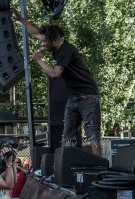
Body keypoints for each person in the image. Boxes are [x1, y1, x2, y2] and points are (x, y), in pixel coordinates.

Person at [12, 9, 102, 156]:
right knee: (67, 134)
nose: (43, 43)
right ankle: (68, 166)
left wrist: (39, 60)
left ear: (54, 38)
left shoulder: (65, 50)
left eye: (45, 41)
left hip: (88, 96)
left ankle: (100, 169)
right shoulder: (54, 46)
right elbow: (36, 33)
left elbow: (54, 74)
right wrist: (20, 19)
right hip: (73, 97)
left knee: (92, 133)